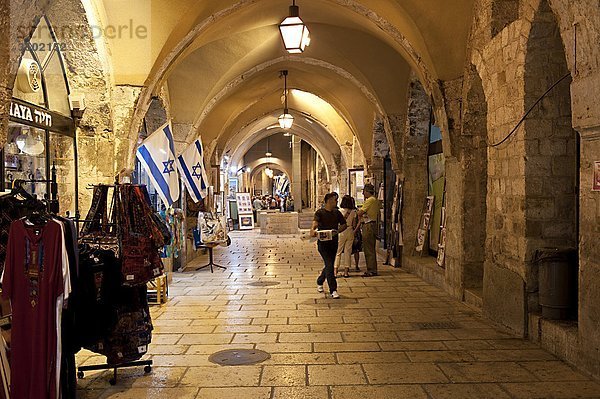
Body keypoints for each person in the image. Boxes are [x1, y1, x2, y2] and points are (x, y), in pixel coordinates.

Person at [310, 193, 347, 299]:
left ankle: (320, 280)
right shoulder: (320, 212)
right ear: (329, 201)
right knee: (330, 265)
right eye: (335, 200)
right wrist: (312, 229)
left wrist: (337, 231)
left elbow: (344, 225)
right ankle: (333, 289)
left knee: (329, 265)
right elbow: (315, 223)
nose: (336, 202)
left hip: (334, 242)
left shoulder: (337, 213)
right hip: (323, 243)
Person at [357, 183, 381, 277]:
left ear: (367, 191)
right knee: (371, 247)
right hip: (373, 224)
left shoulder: (370, 200)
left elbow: (360, 212)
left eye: (364, 192)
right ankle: (372, 268)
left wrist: (359, 213)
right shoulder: (375, 200)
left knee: (368, 248)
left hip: (368, 225)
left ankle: (371, 270)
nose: (363, 194)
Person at [334, 195, 358, 278]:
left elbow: (337, 223)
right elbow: (354, 224)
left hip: (342, 231)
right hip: (350, 230)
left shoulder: (339, 211)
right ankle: (346, 272)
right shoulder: (353, 212)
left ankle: (335, 271)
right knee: (348, 251)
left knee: (338, 251)